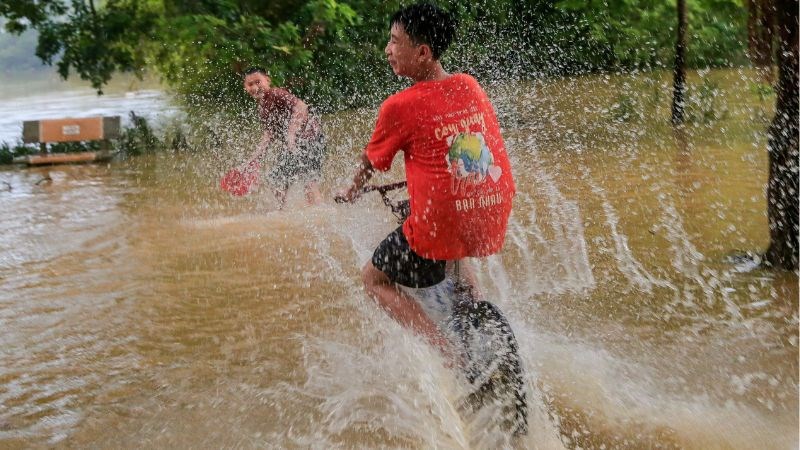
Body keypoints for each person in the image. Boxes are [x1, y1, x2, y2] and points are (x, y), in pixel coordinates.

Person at [336, 3, 516, 356]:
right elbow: (472, 149)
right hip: (492, 212)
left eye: (394, 41)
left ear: (422, 52)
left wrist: (350, 191)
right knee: (440, 222)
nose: (387, 49)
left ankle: (447, 355)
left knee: (373, 280)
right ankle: (473, 303)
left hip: (442, 222)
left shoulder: (398, 106)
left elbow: (370, 162)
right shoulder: (469, 84)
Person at [238, 67, 325, 206]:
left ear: (267, 80)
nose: (255, 87)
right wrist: (250, 161)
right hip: (294, 144)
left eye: (258, 82)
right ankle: (282, 212)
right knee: (276, 180)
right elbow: (268, 136)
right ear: (245, 88)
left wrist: (291, 133)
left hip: (311, 138)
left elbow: (302, 107)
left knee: (308, 180)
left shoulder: (276, 93)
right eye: (250, 84)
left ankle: (319, 212)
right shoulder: (261, 108)